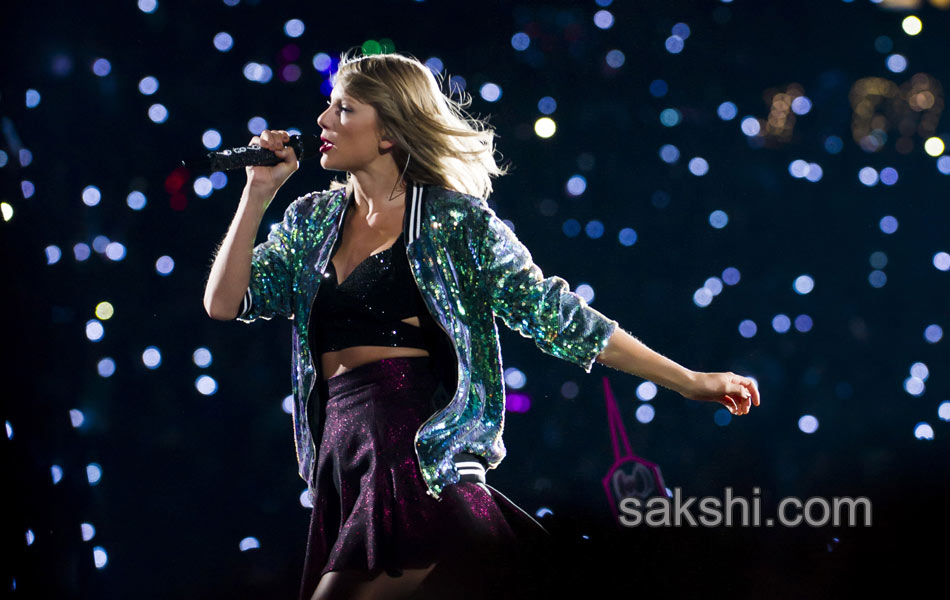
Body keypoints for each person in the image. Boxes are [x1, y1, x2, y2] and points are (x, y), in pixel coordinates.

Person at [203, 50, 760, 600]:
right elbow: (224, 303)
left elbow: (556, 314)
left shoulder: (454, 221)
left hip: (416, 457)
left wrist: (689, 380)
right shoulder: (311, 220)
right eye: (329, 107)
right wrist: (258, 193)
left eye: (345, 109)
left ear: (390, 131)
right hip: (343, 460)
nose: (323, 121)